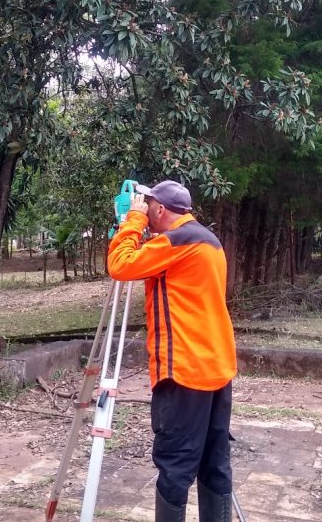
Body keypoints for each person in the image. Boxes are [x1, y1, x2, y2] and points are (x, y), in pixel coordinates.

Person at [107, 179, 237, 522]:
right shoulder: (207, 239)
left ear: (161, 209)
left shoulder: (177, 241)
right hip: (217, 368)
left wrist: (132, 221)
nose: (147, 213)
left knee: (176, 465)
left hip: (185, 373)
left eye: (149, 207)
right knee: (214, 462)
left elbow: (120, 265)